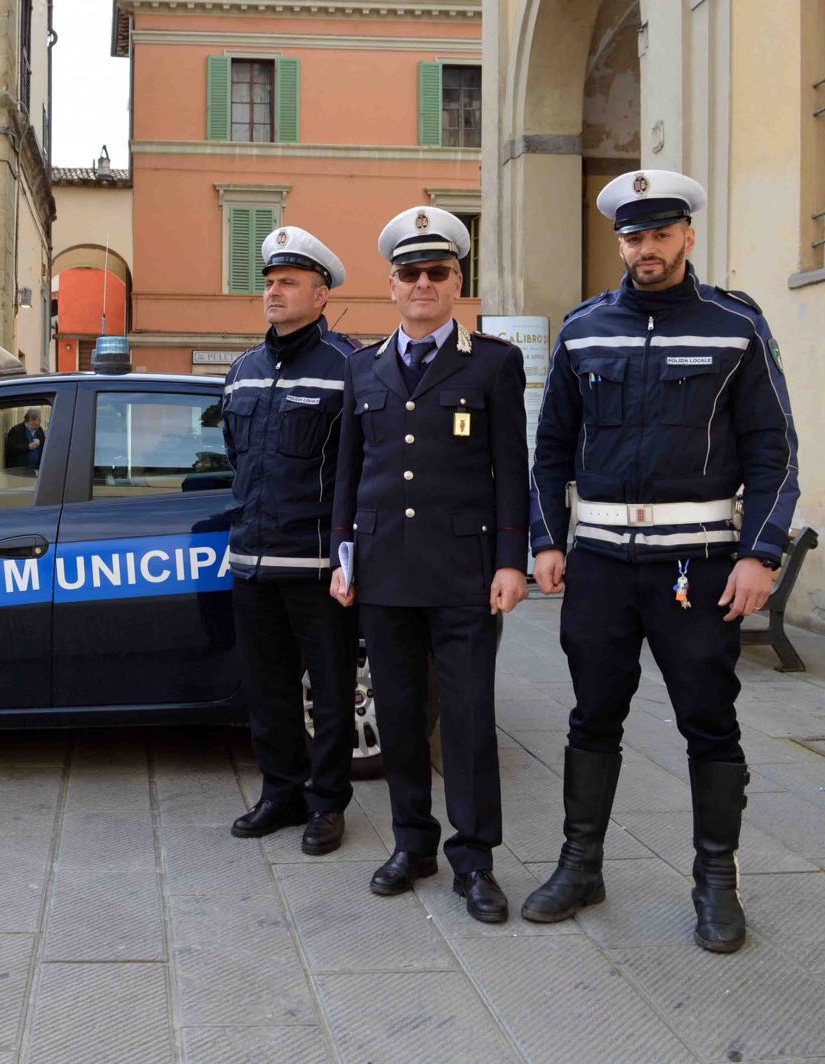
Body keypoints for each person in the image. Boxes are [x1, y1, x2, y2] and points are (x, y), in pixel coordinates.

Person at [522, 170, 800, 953]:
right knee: (592, 717)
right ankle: (580, 867)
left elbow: (774, 449)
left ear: (687, 236)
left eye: (660, 234)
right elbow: (549, 448)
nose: (647, 249)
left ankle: (716, 883)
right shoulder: (584, 329)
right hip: (602, 566)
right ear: (620, 243)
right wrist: (546, 540)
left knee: (709, 723)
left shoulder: (734, 325)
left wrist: (761, 554)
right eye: (634, 237)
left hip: (698, 566)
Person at [329, 206, 529, 922]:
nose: (423, 284)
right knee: (400, 715)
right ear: (392, 285)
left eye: (436, 272)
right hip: (384, 571)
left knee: (469, 719)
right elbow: (349, 474)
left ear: (456, 283)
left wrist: (511, 562)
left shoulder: (494, 363)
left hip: (464, 574)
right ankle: (413, 844)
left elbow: (512, 471)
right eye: (410, 273)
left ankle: (474, 861)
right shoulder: (362, 367)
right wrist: (343, 556)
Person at [223, 225, 361, 856]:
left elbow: (359, 468)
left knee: (330, 694)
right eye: (270, 282)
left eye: (289, 282)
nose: (274, 292)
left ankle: (327, 803)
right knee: (268, 690)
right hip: (251, 562)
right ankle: (281, 793)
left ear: (321, 294)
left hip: (316, 564)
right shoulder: (241, 371)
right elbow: (237, 457)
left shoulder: (348, 367)